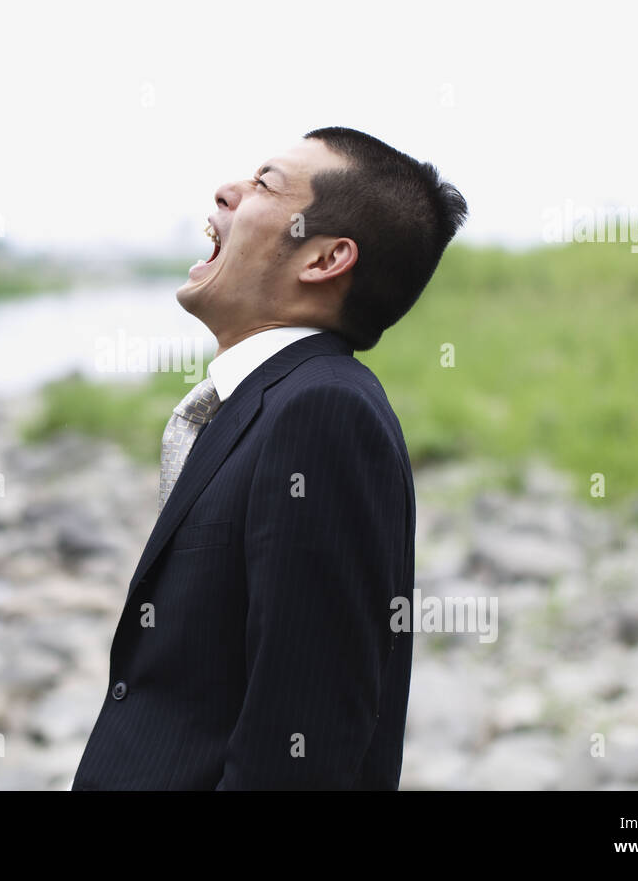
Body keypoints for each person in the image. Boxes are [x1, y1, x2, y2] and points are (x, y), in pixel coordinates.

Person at [71, 126, 468, 789]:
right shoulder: (266, 403)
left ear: (324, 259)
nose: (225, 192)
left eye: (263, 184)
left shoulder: (325, 416)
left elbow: (303, 752)